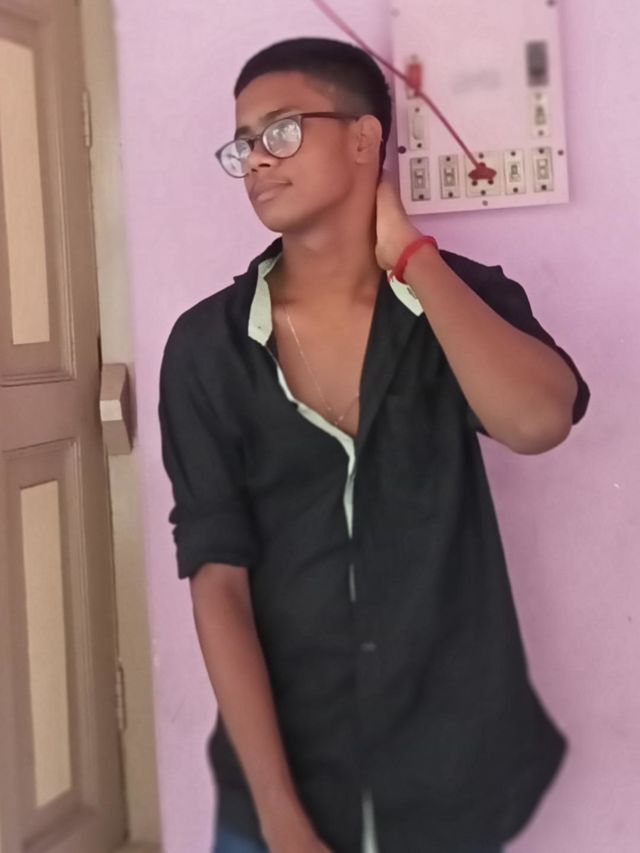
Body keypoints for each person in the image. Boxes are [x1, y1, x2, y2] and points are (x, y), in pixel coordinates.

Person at [158, 37, 590, 853]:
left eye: (281, 130)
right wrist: (280, 815)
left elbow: (539, 422)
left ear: (363, 139)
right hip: (280, 775)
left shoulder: (457, 303)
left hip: (449, 772)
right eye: (243, 143)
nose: (256, 159)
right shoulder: (207, 348)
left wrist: (414, 257)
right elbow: (217, 579)